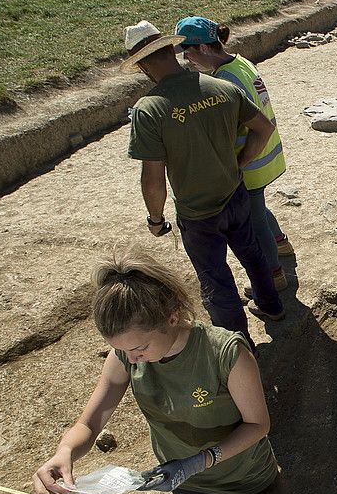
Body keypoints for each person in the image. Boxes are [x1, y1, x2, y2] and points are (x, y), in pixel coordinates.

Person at [31, 253, 337, 494]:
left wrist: (200, 460)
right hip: (185, 481)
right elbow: (91, 421)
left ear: (172, 318)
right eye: (124, 352)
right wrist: (65, 451)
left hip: (244, 476)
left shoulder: (226, 353)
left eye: (139, 348)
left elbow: (258, 424)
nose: (132, 360)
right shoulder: (126, 357)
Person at [121, 19, 285, 331]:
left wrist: (155, 220)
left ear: (142, 66)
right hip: (235, 195)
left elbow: (153, 180)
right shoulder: (222, 87)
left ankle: (238, 348)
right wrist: (239, 163)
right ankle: (272, 306)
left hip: (198, 213)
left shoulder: (149, 110)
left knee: (216, 279)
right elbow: (264, 128)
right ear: (172, 48)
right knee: (253, 255)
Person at [175, 16, 294, 301]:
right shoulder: (240, 63)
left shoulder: (224, 80)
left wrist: (233, 164)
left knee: (254, 221)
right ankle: (281, 243)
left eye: (188, 53)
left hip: (250, 161)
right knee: (259, 209)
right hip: (268, 156)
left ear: (203, 48)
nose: (188, 61)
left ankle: (274, 274)